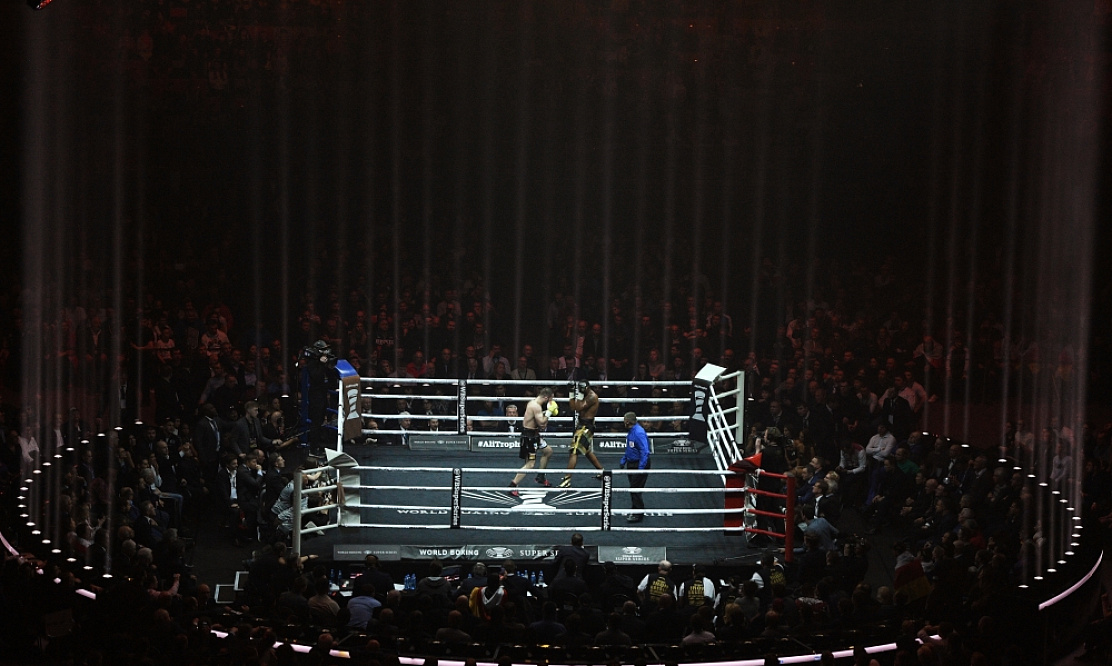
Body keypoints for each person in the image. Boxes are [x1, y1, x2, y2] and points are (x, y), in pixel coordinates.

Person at [509, 387, 558, 495]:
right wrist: (549, 412)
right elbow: (542, 424)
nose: (551, 402)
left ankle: (540, 476)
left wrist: (546, 411)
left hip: (535, 435)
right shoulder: (536, 406)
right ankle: (513, 484)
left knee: (548, 451)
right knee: (530, 464)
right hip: (529, 437)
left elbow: (538, 419)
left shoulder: (534, 403)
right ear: (546, 397)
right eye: (550, 399)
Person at [561, 379, 605, 488]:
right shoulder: (584, 395)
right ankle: (602, 472)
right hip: (581, 424)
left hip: (586, 426)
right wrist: (571, 393)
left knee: (574, 451)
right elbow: (572, 408)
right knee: (586, 450)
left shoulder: (591, 396)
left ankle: (567, 479)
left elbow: (578, 407)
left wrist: (578, 395)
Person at [620, 412, 651, 522]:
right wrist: (624, 460)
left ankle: (638, 514)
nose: (623, 422)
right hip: (632, 463)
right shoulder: (631, 431)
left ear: (627, 421)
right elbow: (631, 448)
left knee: (635, 489)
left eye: (624, 420)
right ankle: (635, 510)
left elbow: (645, 451)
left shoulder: (639, 432)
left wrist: (641, 469)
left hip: (639, 464)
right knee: (634, 488)